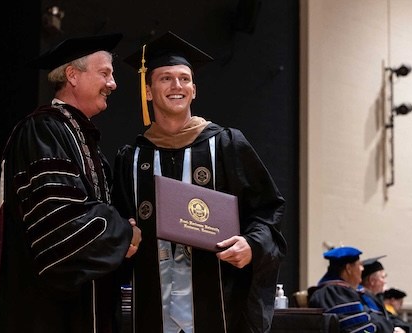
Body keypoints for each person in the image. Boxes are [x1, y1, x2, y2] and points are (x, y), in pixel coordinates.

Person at [112, 31, 287, 333]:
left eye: (184, 78)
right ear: (149, 91)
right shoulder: (132, 158)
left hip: (218, 309)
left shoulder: (227, 145)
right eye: (165, 78)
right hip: (154, 310)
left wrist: (252, 245)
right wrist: (124, 236)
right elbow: (121, 222)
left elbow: (268, 211)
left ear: (194, 90)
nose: (176, 85)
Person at [0, 33, 141, 333]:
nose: (113, 84)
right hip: (47, 314)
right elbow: (59, 218)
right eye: (105, 73)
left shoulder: (83, 140)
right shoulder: (42, 131)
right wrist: (125, 232)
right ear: (72, 75)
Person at [308, 246, 395, 332]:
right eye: (359, 265)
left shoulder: (342, 291)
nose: (362, 268)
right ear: (349, 268)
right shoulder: (334, 293)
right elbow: (358, 326)